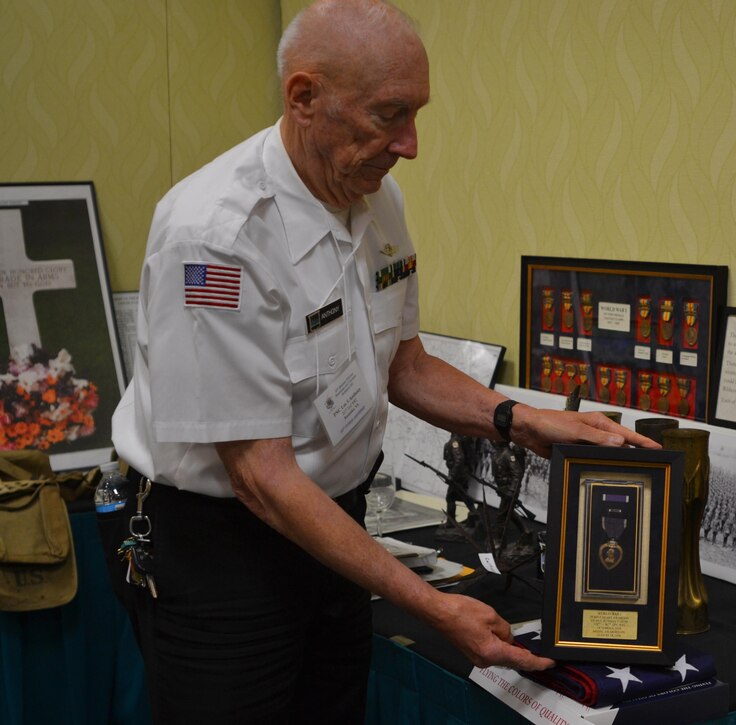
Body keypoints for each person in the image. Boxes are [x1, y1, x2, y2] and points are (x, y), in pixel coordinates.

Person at [103, 0, 657, 721]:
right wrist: (429, 603)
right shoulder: (216, 238)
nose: (412, 144)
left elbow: (406, 364)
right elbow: (261, 478)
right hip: (221, 550)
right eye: (389, 115)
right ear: (304, 98)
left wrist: (523, 421)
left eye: (416, 113)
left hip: (334, 527)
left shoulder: (374, 194)